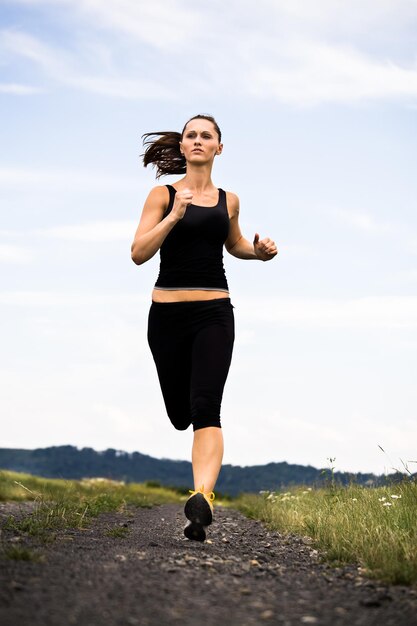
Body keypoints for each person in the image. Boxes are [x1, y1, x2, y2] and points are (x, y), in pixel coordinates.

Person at [131, 114, 277, 541]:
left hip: (215, 312)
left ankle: (202, 499)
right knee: (180, 413)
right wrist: (174, 215)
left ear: (219, 147)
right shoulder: (162, 194)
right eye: (190, 135)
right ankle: (200, 488)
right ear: (182, 147)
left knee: (205, 408)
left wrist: (259, 252)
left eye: (206, 136)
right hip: (167, 316)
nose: (197, 141)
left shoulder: (229, 200)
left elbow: (234, 245)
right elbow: (138, 253)